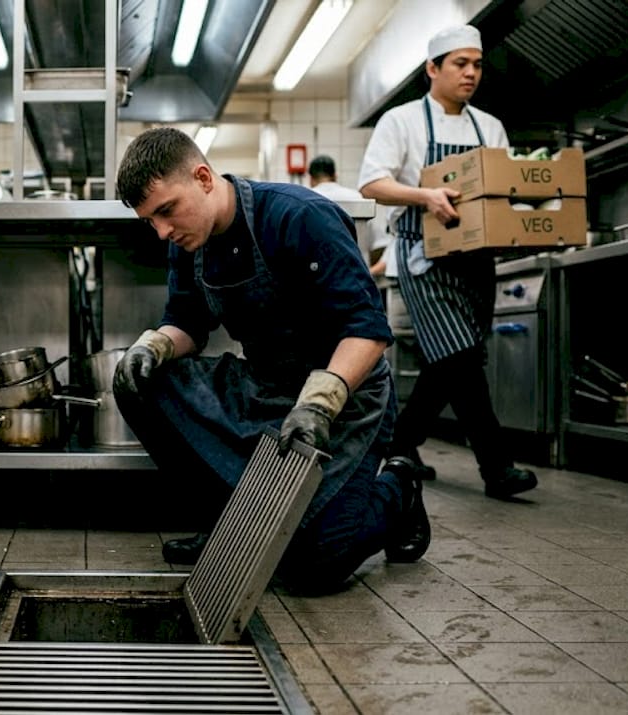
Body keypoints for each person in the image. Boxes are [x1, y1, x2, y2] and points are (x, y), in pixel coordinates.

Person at [112, 126, 431, 593]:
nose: (162, 231)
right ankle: (229, 527)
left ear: (203, 177)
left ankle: (397, 491)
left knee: (311, 566)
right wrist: (153, 346)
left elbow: (367, 330)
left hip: (344, 402)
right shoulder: (188, 241)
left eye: (165, 211)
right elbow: (187, 324)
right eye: (150, 221)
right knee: (139, 381)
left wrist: (318, 404)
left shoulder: (299, 217)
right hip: (264, 387)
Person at [357, 25, 537, 498]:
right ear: (433, 69)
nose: (471, 73)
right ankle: (497, 468)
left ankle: (400, 442)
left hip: (477, 259)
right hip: (423, 258)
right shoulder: (402, 122)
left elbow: (499, 189)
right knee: (459, 356)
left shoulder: (489, 126)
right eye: (460, 64)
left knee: (452, 361)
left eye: (477, 65)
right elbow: (372, 184)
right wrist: (425, 195)